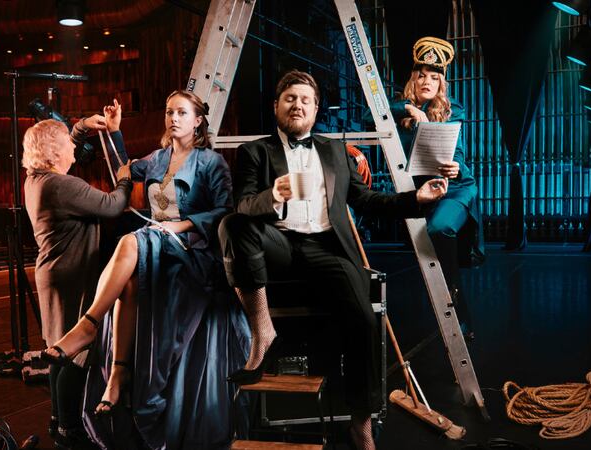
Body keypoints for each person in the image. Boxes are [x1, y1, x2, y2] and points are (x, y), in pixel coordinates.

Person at [218, 70, 448, 450]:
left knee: (363, 322)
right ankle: (263, 331)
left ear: (315, 109)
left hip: (326, 248)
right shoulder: (255, 152)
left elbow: (368, 201)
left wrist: (416, 199)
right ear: (276, 106)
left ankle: (360, 422)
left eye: (306, 100)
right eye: (290, 98)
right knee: (232, 224)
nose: (298, 105)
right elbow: (243, 206)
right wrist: (273, 194)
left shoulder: (334, 151)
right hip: (277, 242)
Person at [41, 91, 250, 449]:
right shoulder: (156, 159)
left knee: (130, 241)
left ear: (198, 120)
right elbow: (122, 168)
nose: (174, 118)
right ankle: (119, 371)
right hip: (154, 246)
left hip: (193, 251)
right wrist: (115, 131)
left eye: (182, 113)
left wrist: (179, 227)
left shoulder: (211, 163)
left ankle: (87, 327)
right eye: (170, 112)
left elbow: (224, 211)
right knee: (131, 271)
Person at [22, 114, 131, 450]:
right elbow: (114, 205)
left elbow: (69, 140)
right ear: (55, 152)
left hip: (53, 273)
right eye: (69, 145)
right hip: (72, 276)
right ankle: (70, 429)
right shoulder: (61, 185)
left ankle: (57, 421)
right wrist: (125, 179)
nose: (74, 150)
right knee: (75, 353)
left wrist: (82, 127)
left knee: (57, 349)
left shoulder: (37, 179)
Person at [390, 36, 485, 337]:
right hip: (424, 192)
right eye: (421, 75)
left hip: (456, 187)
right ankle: (462, 316)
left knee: (439, 229)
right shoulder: (401, 108)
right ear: (413, 79)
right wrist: (410, 110)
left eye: (434, 76)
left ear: (441, 82)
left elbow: (458, 154)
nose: (427, 81)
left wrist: (456, 167)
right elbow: (370, 114)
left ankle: (456, 303)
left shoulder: (452, 109)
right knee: (435, 257)